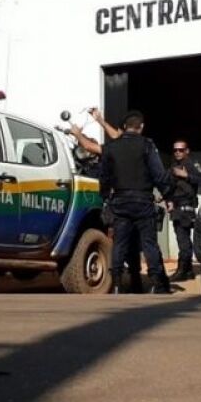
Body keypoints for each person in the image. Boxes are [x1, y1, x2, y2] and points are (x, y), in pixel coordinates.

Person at [68, 108, 144, 293]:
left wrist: (95, 123)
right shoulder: (80, 165)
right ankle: (117, 282)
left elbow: (113, 139)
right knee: (118, 245)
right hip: (103, 209)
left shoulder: (110, 155)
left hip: (117, 206)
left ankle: (133, 280)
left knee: (128, 244)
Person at [99, 110, 171, 294]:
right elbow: (159, 174)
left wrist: (105, 197)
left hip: (120, 201)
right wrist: (167, 195)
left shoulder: (110, 147)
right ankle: (156, 283)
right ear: (141, 127)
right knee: (149, 244)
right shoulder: (147, 145)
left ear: (124, 127)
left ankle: (116, 283)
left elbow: (104, 176)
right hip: (142, 200)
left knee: (119, 243)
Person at [164, 140, 201, 282]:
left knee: (183, 241)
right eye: (175, 150)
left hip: (186, 208)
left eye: (181, 150)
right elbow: (169, 187)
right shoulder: (173, 167)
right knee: (183, 240)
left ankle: (182, 271)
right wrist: (167, 200)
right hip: (176, 208)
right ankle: (188, 271)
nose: (177, 152)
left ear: (187, 151)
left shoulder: (191, 164)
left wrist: (186, 176)